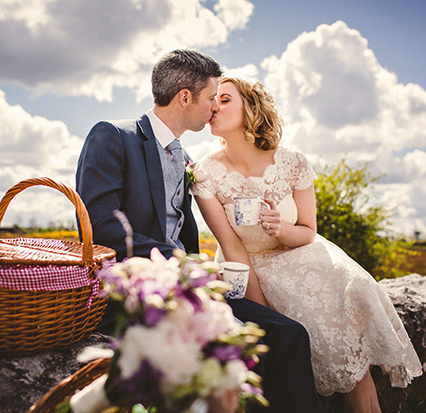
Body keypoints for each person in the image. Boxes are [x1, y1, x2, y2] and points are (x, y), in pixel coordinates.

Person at [76, 49, 323, 412]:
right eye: (211, 98)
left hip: (191, 289)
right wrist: (184, 266)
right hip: (139, 295)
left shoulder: (187, 159)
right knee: (242, 348)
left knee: (289, 335)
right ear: (185, 97)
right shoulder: (114, 136)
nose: (214, 108)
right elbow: (102, 228)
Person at [191, 75, 424, 412]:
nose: (214, 106)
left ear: (251, 108)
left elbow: (308, 231)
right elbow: (231, 246)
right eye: (213, 99)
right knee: (307, 326)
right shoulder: (205, 173)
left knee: (351, 289)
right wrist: (262, 311)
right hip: (248, 266)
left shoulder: (293, 162)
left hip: (301, 253)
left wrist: (280, 228)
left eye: (225, 100)